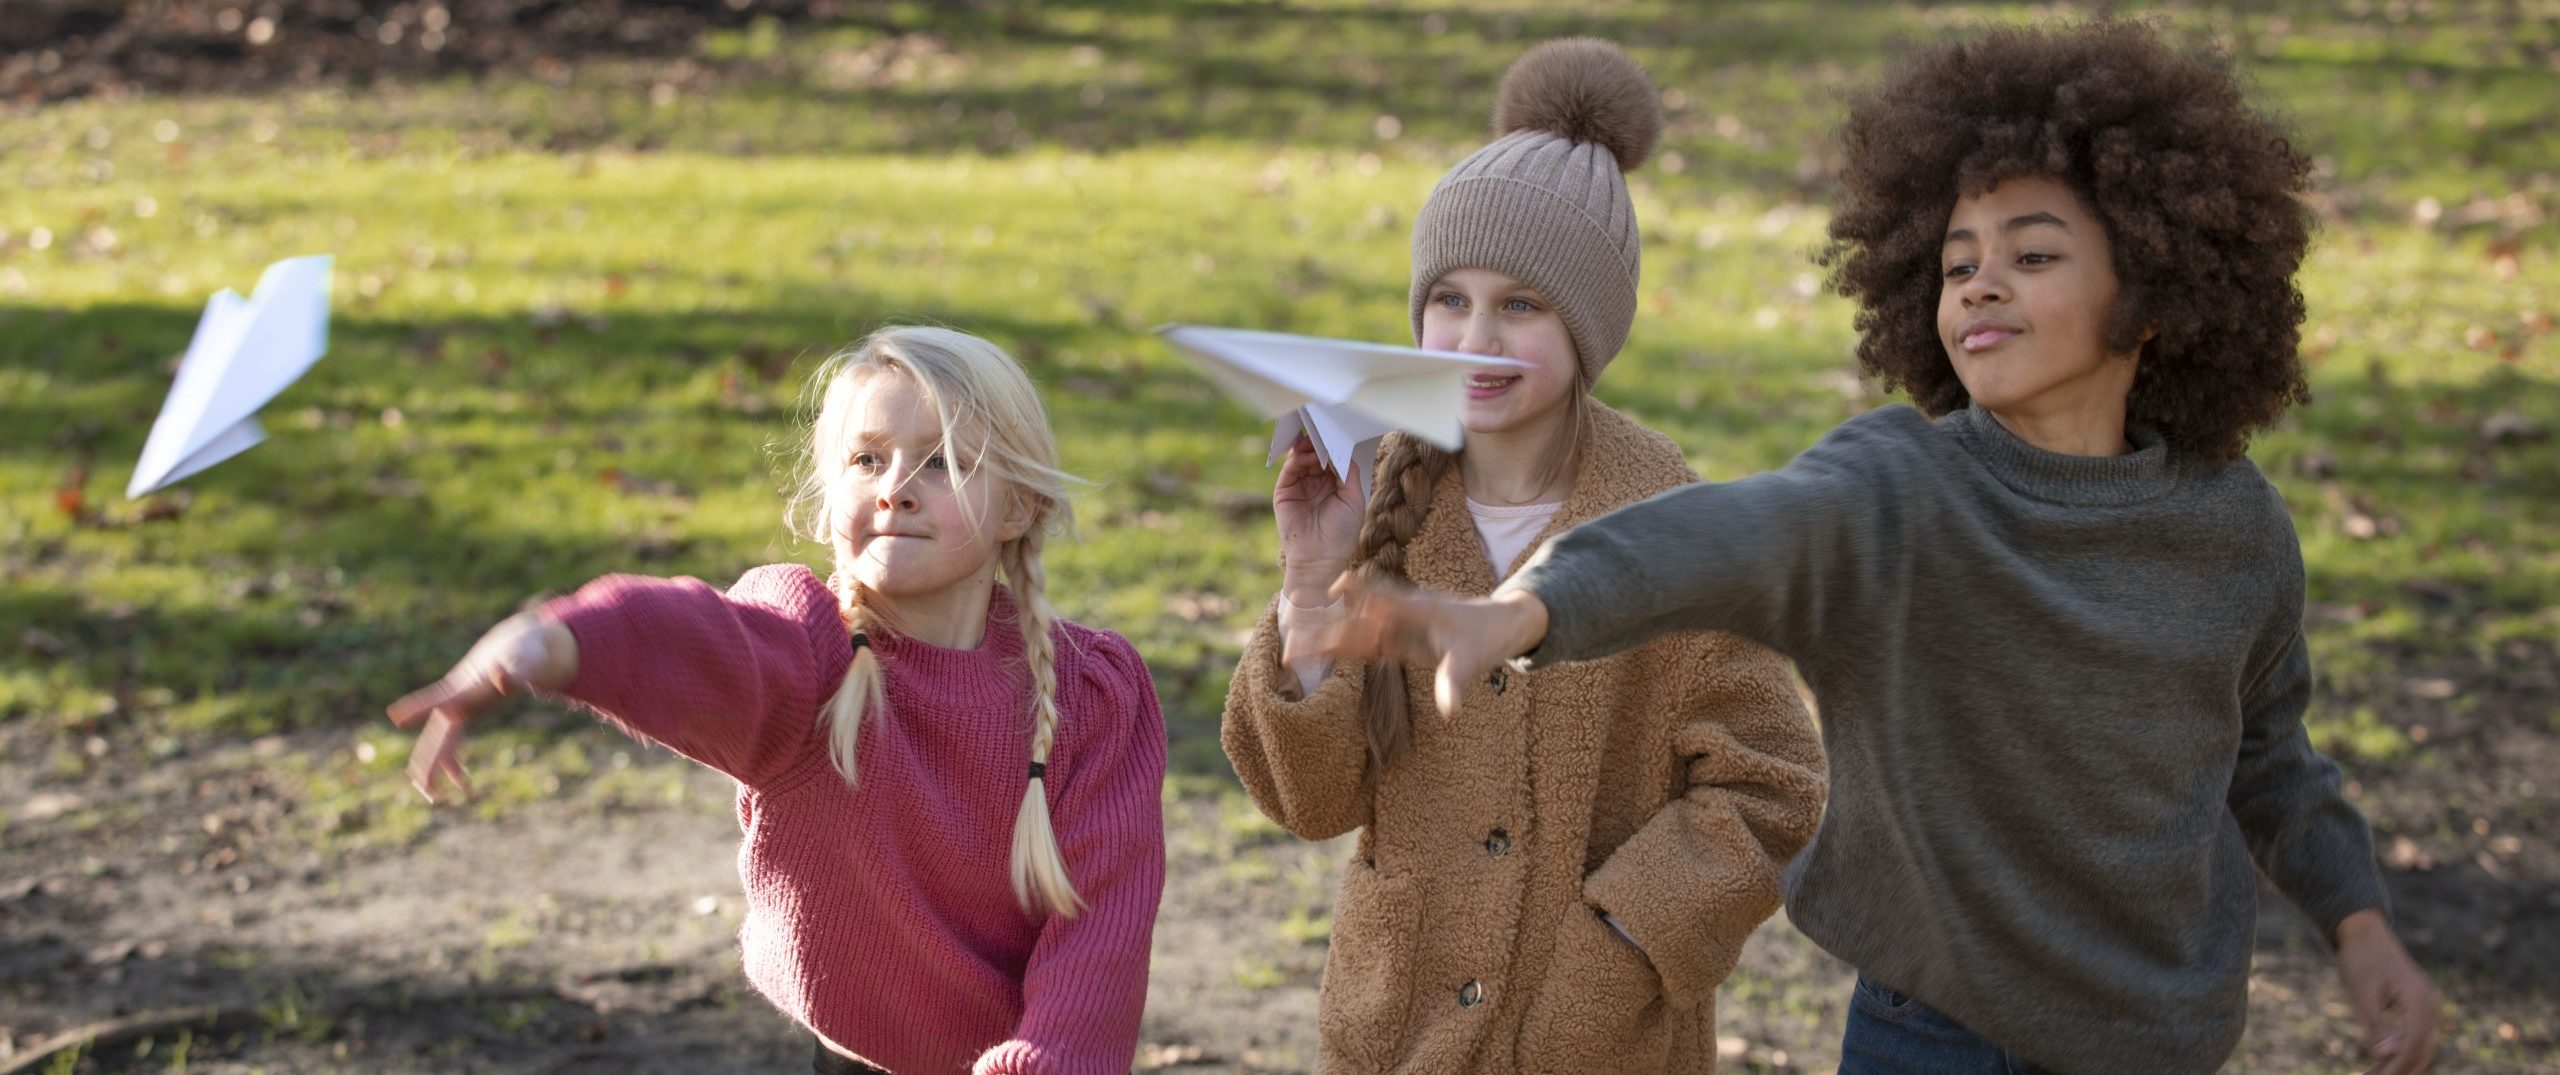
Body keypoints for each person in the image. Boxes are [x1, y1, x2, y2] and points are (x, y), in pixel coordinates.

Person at [1319, 20, 2442, 1075]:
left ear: (2151, 295)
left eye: (2033, 255)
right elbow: (1724, 533)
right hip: (1928, 1033)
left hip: (2156, 1037)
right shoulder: (1897, 487)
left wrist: (2360, 926)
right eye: (1957, 263)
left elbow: (2270, 758)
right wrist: (1527, 609)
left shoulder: (2231, 528)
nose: (1982, 282)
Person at [1221, 37, 1827, 1074]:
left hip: (1601, 1043)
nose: (1474, 338)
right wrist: (1309, 585)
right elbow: (1308, 804)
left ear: (1589, 324)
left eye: (1521, 305)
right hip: (1396, 1035)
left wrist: (1623, 943)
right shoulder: (1375, 495)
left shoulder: (1662, 515)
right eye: (1448, 300)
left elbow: (1775, 789)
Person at [388, 326, 1168, 1075]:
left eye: (941, 463)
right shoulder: (810, 647)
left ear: (1019, 506)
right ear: (830, 495)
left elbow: (1102, 935)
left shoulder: (1093, 694)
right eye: (867, 459)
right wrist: (550, 641)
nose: (896, 488)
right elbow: (700, 641)